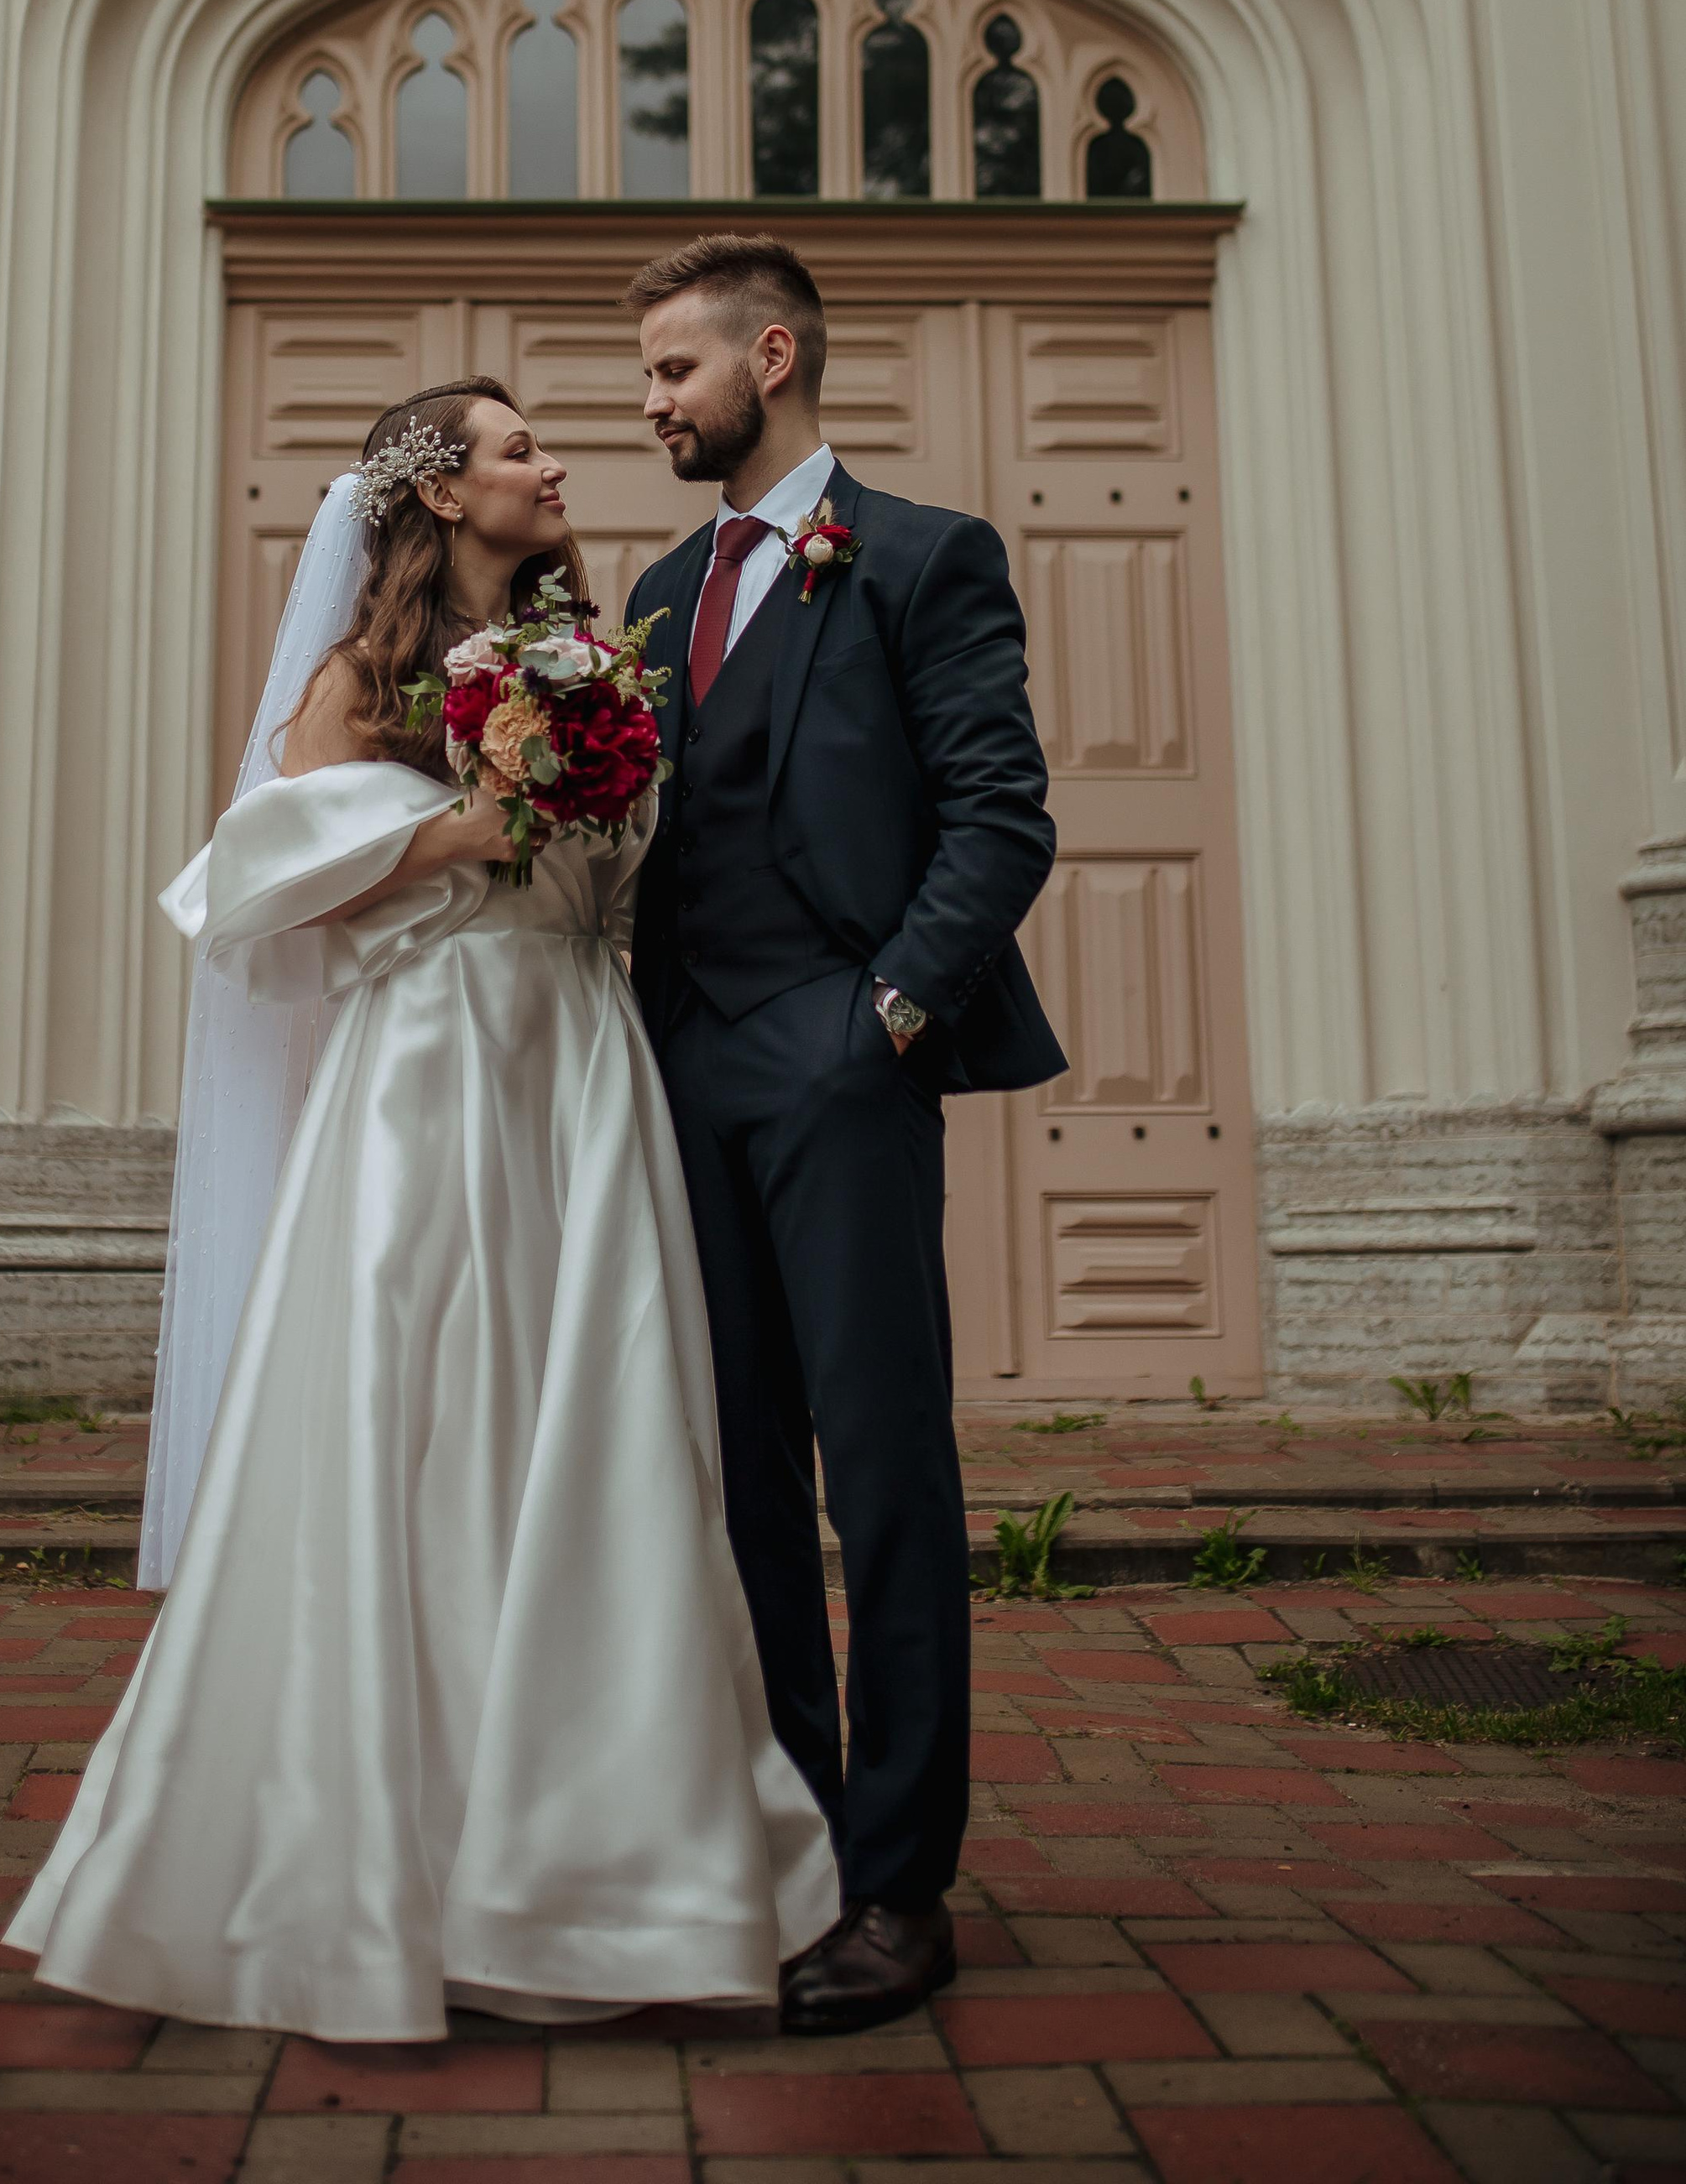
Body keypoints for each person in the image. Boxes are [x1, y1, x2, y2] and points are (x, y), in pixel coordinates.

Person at [8, 377, 837, 2041]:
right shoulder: (352, 685)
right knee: (422, 1430)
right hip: (425, 1080)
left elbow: (616, 883)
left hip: (580, 1068)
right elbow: (257, 893)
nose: (550, 466)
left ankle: (608, 1865)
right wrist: (479, 816)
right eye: (517, 446)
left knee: (597, 1428)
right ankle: (373, 1867)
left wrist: (578, 785)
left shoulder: (592, 662)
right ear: (442, 495)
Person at [624, 236, 1065, 2035]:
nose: (650, 402)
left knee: (879, 1480)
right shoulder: (653, 585)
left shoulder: (917, 556)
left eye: (672, 371)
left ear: (771, 357)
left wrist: (882, 1015)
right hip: (676, 1071)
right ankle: (796, 1843)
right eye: (649, 376)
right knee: (735, 1483)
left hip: (836, 1066)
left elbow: (1000, 815)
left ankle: (899, 1886)